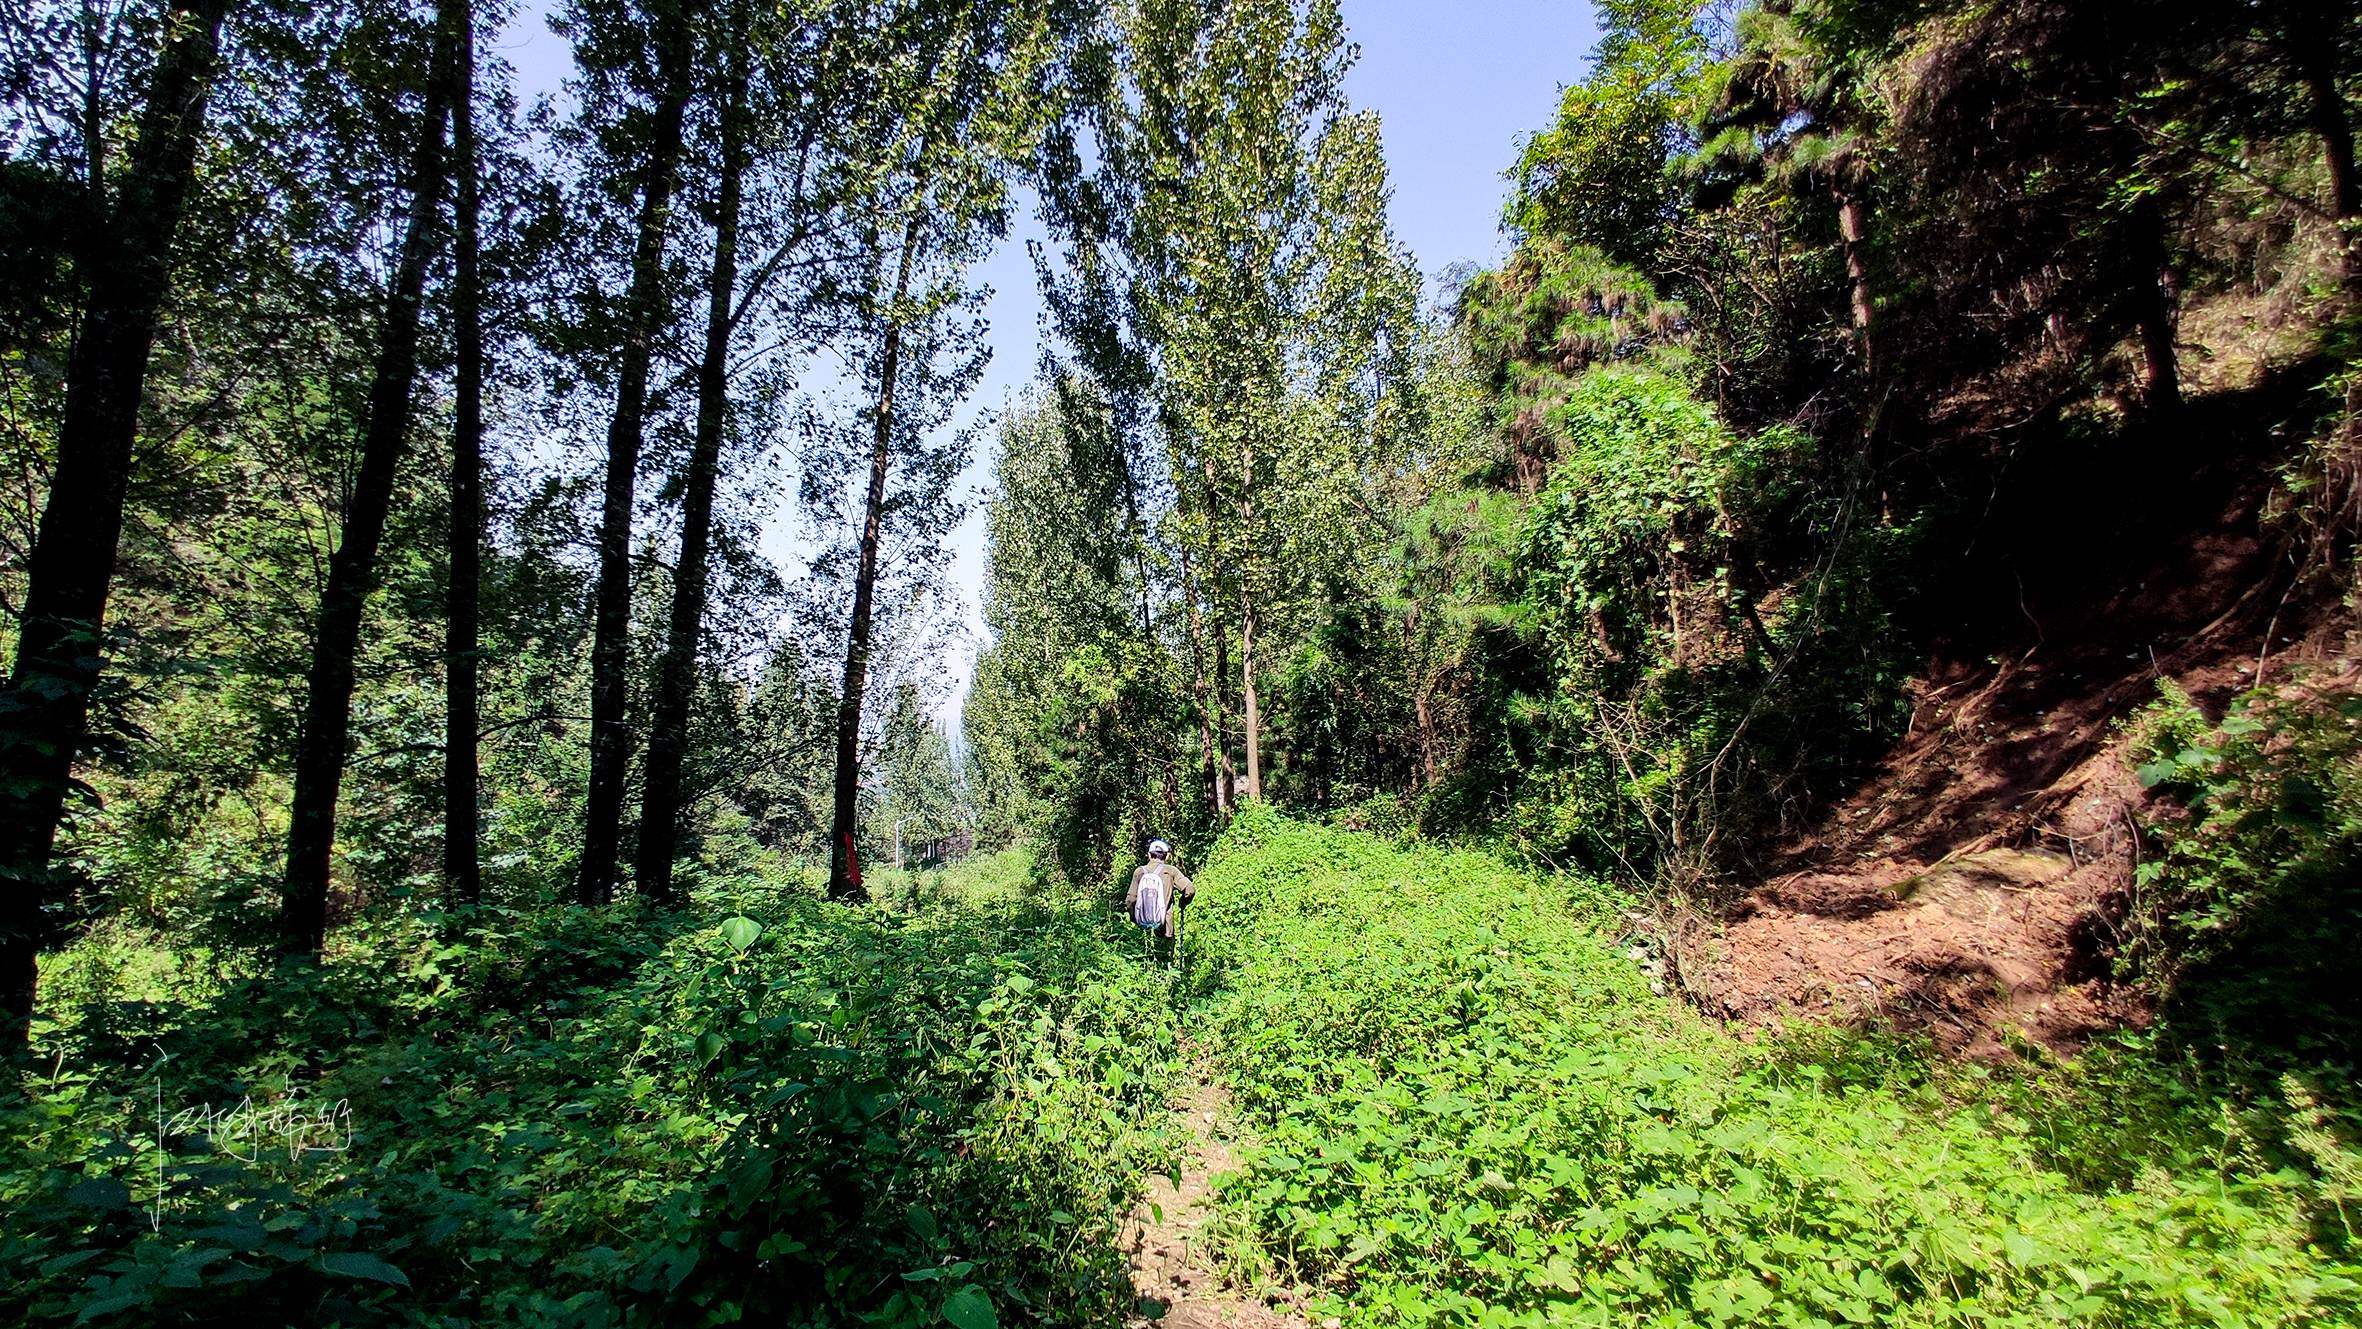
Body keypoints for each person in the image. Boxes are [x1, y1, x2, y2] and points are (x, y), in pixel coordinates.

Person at [1123, 838, 1195, 963]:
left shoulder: (1139, 872)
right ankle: (1168, 977)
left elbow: (1129, 901)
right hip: (1165, 926)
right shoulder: (1171, 871)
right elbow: (1190, 890)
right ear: (1166, 856)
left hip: (1143, 927)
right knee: (1166, 958)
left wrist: (1135, 919)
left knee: (1144, 958)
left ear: (1149, 855)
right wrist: (1183, 902)